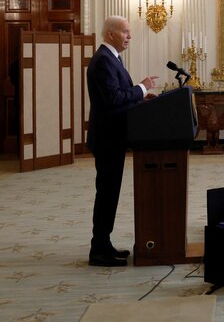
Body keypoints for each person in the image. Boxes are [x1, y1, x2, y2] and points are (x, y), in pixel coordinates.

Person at [86, 15, 158, 267]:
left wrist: (140, 99)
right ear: (110, 34)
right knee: (106, 194)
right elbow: (114, 99)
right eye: (125, 32)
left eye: (129, 32)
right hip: (107, 139)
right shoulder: (104, 61)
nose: (130, 36)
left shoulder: (112, 58)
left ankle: (104, 244)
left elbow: (119, 98)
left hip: (114, 137)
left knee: (110, 193)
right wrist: (141, 87)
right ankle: (98, 250)